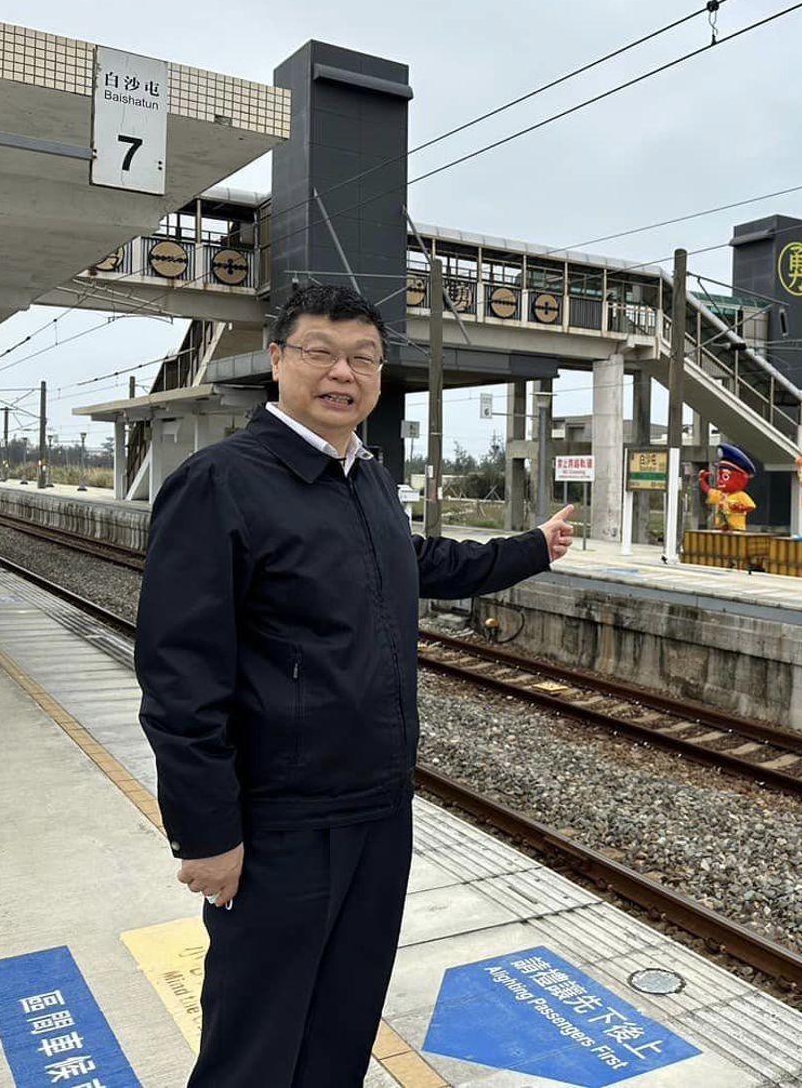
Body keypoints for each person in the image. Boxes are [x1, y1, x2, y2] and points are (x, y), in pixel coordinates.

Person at [136, 283, 574, 1086]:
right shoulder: (221, 483)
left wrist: (531, 548)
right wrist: (206, 832)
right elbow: (179, 675)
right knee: (256, 1041)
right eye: (321, 352)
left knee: (342, 1023)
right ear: (277, 360)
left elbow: (424, 562)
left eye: (364, 357)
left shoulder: (364, 479)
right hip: (282, 821)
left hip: (379, 806)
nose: (343, 372)